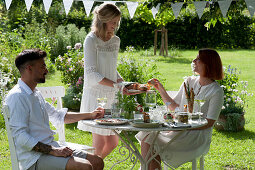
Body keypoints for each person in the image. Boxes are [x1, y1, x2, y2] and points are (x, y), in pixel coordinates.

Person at [5, 49, 104, 170]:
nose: (46, 70)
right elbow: (20, 137)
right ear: (29, 68)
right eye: (42, 67)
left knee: (97, 161)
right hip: (33, 158)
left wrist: (91, 115)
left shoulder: (35, 93)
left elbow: (58, 116)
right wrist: (53, 151)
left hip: (51, 148)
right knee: (84, 166)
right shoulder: (17, 96)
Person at [137, 48, 224, 169]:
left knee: (151, 142)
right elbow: (174, 107)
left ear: (207, 64)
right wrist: (160, 88)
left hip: (196, 136)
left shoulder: (216, 91)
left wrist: (185, 126)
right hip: (177, 130)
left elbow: (210, 122)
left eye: (198, 59)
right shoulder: (189, 81)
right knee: (148, 135)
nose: (194, 60)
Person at [78, 3, 131, 159]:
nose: (116, 25)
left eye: (117, 22)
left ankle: (90, 166)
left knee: (113, 142)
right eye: (113, 22)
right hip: (96, 96)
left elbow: (111, 68)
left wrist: (123, 83)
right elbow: (91, 73)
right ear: (104, 20)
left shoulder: (115, 40)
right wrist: (117, 85)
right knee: (99, 144)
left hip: (111, 94)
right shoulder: (91, 40)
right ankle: (90, 166)